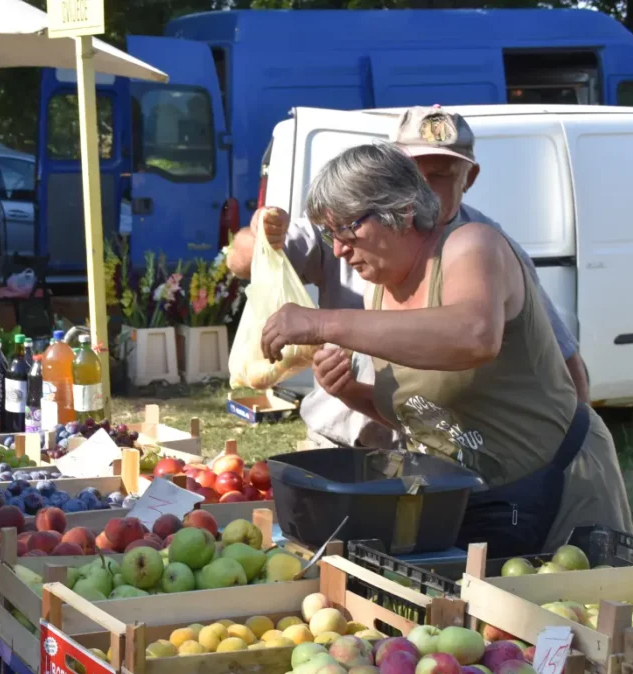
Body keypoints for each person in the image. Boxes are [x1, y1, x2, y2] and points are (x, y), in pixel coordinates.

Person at [259, 142, 631, 556]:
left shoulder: (472, 246)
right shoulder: (378, 293)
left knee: (570, 615)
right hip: (468, 497)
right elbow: (420, 413)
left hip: (555, 487)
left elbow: (474, 336)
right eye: (330, 234)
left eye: (347, 227)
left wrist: (322, 322)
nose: (339, 249)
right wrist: (349, 392)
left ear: (399, 212)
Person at [226, 106, 589, 444]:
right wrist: (262, 237)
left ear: (470, 177)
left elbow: (557, 355)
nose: (423, 190)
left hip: (431, 449)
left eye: (441, 176)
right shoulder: (350, 229)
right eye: (413, 174)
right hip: (342, 436)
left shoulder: (486, 246)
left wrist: (578, 442)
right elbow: (241, 263)